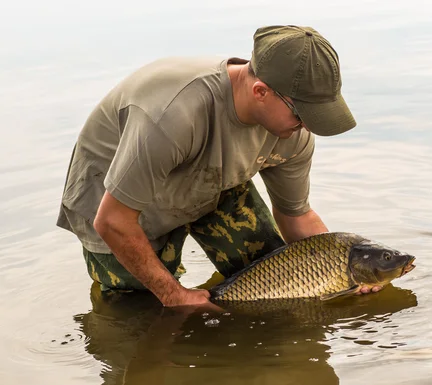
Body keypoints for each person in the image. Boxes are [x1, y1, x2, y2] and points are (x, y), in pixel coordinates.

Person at [57, 24, 378, 309]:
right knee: (142, 311)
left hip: (213, 182)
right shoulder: (174, 115)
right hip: (118, 203)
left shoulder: (293, 131)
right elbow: (112, 221)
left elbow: (297, 216)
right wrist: (173, 293)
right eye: (303, 114)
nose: (308, 127)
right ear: (260, 92)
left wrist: (346, 270)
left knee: (280, 280)